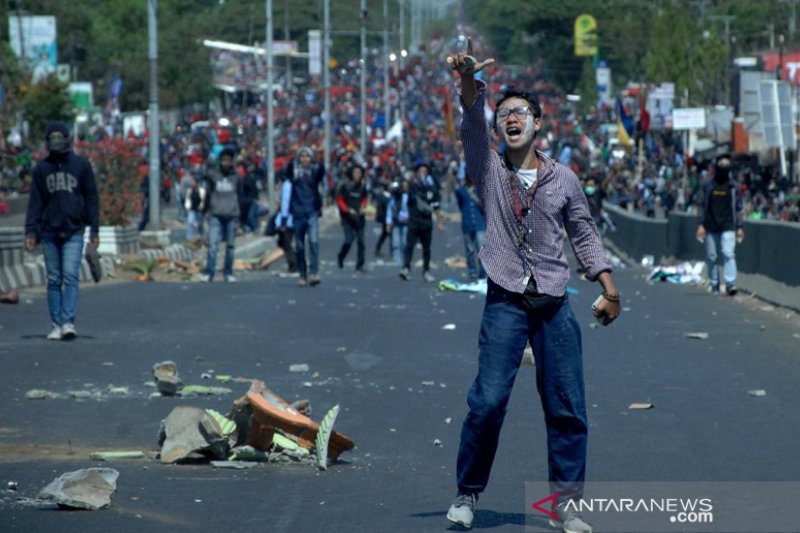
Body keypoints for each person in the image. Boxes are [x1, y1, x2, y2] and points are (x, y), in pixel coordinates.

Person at [445, 42, 621, 532]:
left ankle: (566, 507)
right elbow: (470, 125)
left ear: (538, 123)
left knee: (567, 407)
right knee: (487, 402)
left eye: (520, 112)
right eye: (504, 115)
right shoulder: (488, 169)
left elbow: (584, 233)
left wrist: (609, 286)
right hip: (505, 299)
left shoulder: (564, 179)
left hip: (554, 303)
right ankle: (467, 494)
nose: (511, 119)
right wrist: (467, 83)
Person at [24, 121, 99, 340]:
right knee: (54, 279)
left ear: (67, 139)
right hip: (48, 231)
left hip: (74, 230)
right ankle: (56, 323)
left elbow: (92, 198)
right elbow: (35, 203)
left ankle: (68, 322)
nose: (56, 140)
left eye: (60, 136)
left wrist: (94, 229)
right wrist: (30, 232)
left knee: (70, 276)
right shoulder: (42, 169)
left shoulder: (81, 166)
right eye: (52, 137)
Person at [695, 154, 744, 295]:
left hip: (728, 225)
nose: (723, 167)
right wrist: (700, 224)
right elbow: (701, 205)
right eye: (721, 164)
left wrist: (740, 227)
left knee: (728, 253)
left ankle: (730, 283)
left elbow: (739, 207)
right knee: (711, 256)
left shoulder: (733, 186)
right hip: (711, 225)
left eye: (726, 165)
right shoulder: (707, 185)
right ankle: (714, 283)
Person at [399, 163, 445, 282]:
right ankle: (406, 268)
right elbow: (406, 200)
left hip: (426, 222)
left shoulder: (431, 189)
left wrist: (440, 222)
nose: (422, 174)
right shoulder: (412, 187)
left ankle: (426, 271)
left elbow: (436, 206)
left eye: (424, 171)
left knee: (426, 249)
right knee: (409, 246)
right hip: (414, 221)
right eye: (420, 171)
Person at [286, 146, 325, 287]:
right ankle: (302, 274)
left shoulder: (314, 173)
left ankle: (314, 272)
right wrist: (291, 159)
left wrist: (321, 158)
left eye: (307, 156)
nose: (305, 159)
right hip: (298, 213)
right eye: (302, 156)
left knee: (314, 242)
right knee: (300, 246)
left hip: (312, 211)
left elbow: (321, 173)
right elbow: (288, 172)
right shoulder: (295, 174)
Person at [201, 148, 241, 282]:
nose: (226, 163)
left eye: (228, 160)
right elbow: (208, 193)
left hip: (231, 215)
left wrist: (241, 217)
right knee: (213, 245)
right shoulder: (213, 175)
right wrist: (205, 210)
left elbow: (240, 195)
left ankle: (228, 272)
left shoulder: (236, 177)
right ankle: (209, 272)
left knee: (230, 246)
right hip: (215, 214)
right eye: (223, 160)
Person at [336, 164, 368, 272]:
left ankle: (360, 264)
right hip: (348, 218)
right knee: (349, 240)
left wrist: (363, 207)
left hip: (359, 218)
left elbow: (364, 199)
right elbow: (340, 200)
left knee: (361, 242)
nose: (357, 175)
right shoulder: (345, 186)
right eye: (355, 173)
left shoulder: (363, 187)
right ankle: (341, 256)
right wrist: (348, 210)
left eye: (359, 173)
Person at [455, 173, 486, 280]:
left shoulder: (479, 190)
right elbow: (460, 206)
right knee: (469, 250)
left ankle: (483, 271)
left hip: (479, 223)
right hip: (467, 223)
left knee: (481, 248)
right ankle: (472, 270)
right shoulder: (460, 191)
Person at [386, 178, 409, 265]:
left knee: (404, 242)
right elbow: (389, 211)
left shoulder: (406, 198)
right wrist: (388, 222)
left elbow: (409, 210)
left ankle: (405, 260)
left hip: (405, 223)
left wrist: (406, 217)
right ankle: (397, 261)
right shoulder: (392, 199)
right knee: (396, 243)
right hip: (396, 223)